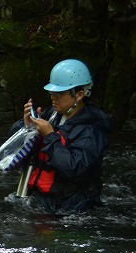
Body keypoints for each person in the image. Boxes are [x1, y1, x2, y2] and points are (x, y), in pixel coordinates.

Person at [14, 59, 112, 214]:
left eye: (59, 95)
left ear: (79, 95)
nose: (53, 99)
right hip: (44, 203)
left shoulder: (92, 129)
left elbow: (73, 168)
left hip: (74, 211)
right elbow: (14, 148)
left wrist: (50, 136)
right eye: (52, 94)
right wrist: (26, 127)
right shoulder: (52, 115)